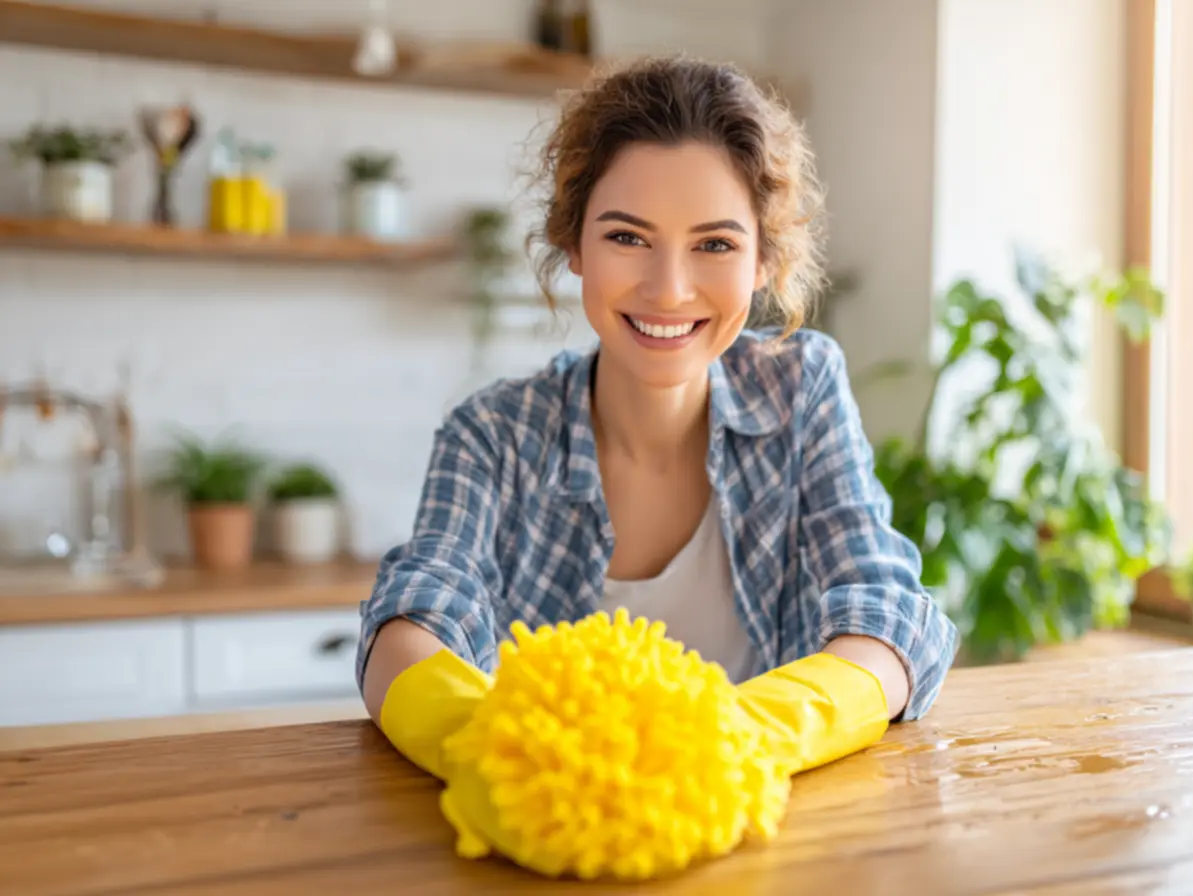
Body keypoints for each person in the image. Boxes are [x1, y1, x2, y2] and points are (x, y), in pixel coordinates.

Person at [358, 54, 959, 734]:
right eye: (626, 237)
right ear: (574, 243)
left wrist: (746, 737)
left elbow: (888, 611)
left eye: (715, 245)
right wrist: (486, 748)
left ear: (763, 261)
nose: (669, 289)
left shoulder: (803, 388)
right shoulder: (492, 434)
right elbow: (414, 616)